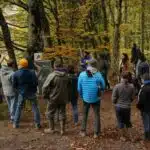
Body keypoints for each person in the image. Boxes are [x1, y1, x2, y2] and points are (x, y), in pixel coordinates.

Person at [78, 59, 105, 138]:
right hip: (96, 98)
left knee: (85, 114)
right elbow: (103, 86)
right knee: (96, 114)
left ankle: (83, 131)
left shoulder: (82, 74)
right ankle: (96, 133)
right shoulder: (98, 74)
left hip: (85, 98)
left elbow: (79, 88)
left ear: (88, 65)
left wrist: (82, 96)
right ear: (96, 65)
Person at [42, 59, 70, 135]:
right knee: (62, 113)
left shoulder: (52, 75)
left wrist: (45, 96)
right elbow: (68, 86)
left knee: (49, 113)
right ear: (61, 66)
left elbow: (44, 87)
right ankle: (62, 130)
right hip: (63, 97)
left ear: (54, 66)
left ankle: (51, 129)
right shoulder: (66, 76)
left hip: (53, 98)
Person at [12, 58, 41, 129]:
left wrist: (19, 90)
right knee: (35, 107)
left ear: (20, 65)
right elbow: (36, 83)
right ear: (27, 65)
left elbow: (14, 86)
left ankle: (16, 124)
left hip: (22, 93)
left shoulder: (16, 73)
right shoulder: (32, 72)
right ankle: (37, 124)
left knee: (19, 108)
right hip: (32, 92)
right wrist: (33, 89)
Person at [137, 73, 150, 140]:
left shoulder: (143, 88)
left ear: (144, 79)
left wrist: (139, 107)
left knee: (146, 122)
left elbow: (141, 100)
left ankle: (147, 136)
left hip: (145, 109)